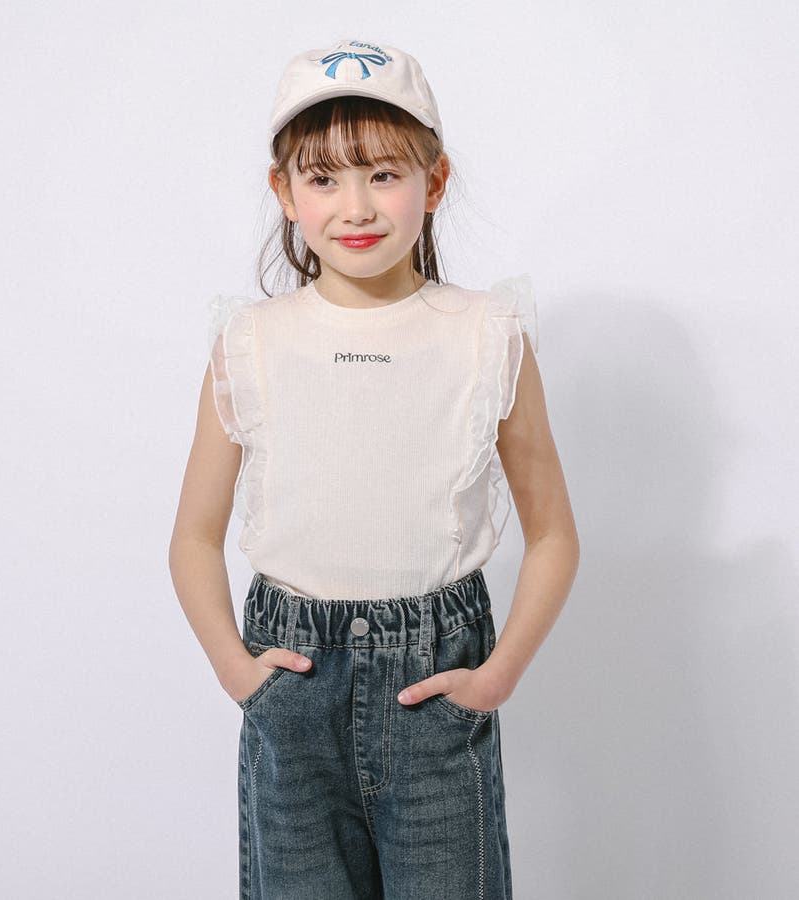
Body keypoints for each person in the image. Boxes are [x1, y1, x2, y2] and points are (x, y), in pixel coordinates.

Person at [169, 37, 580, 900]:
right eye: (323, 179)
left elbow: (553, 535)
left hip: (436, 689)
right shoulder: (251, 343)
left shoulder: (487, 335)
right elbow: (194, 537)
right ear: (284, 193)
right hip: (292, 687)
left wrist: (496, 677)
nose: (355, 206)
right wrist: (239, 675)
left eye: (384, 174)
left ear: (434, 181)